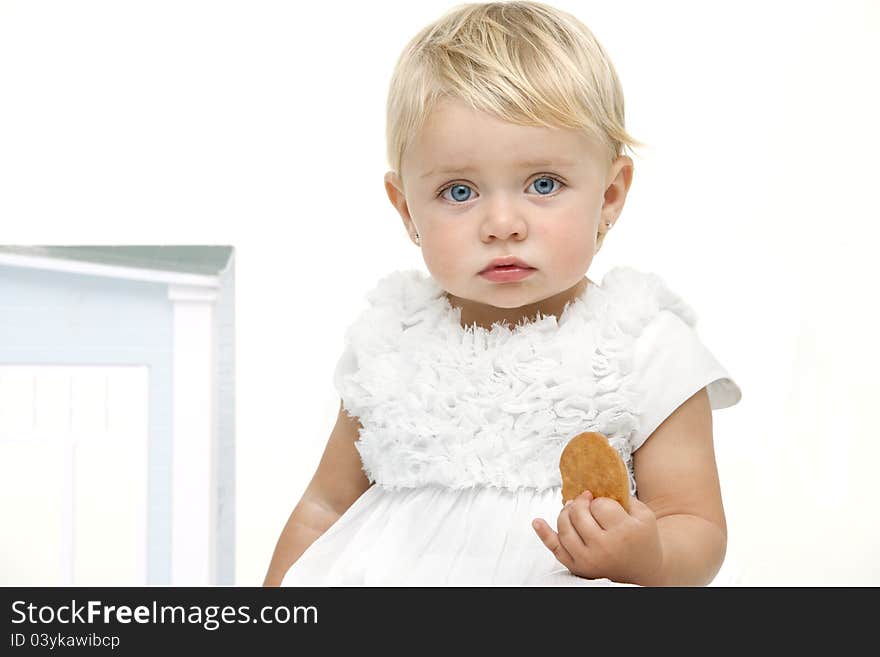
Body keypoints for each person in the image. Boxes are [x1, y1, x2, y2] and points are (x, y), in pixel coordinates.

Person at [263, 0, 742, 587]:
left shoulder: (642, 345)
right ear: (406, 209)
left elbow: (694, 522)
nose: (502, 223)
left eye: (544, 184)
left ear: (610, 195)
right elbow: (325, 510)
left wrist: (651, 556)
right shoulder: (391, 342)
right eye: (459, 192)